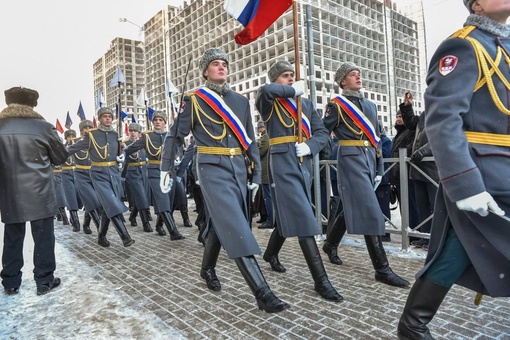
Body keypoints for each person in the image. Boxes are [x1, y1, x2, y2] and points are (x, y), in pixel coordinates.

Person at [398, 1, 510, 338]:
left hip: (503, 169)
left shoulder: (503, 49)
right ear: (476, 4)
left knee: (460, 248)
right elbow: (443, 120)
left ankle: (412, 324)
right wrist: (465, 184)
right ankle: (413, 324)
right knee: (459, 248)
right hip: (483, 173)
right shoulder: (464, 45)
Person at [161, 48, 289, 313]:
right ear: (205, 70)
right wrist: (166, 168)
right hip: (211, 167)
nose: (221, 67)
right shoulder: (194, 99)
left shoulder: (240, 101)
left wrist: (254, 172)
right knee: (235, 222)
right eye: (215, 64)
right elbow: (175, 135)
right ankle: (262, 293)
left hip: (238, 169)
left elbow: (250, 140)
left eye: (224, 64)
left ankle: (207, 268)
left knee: (223, 223)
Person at [256, 60, 343, 302]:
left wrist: (310, 146)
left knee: (291, 213)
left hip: (303, 162)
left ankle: (270, 254)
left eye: (292, 76)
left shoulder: (304, 104)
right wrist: (291, 91)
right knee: (304, 216)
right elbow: (264, 90)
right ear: (275, 80)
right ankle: (321, 281)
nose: (290, 79)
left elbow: (322, 132)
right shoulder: (269, 101)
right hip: (282, 164)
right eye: (285, 76)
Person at [322, 62, 410, 288]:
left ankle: (330, 244)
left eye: (359, 73)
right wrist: (308, 150)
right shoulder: (336, 104)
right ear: (343, 81)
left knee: (350, 206)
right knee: (370, 210)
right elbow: (323, 131)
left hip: (370, 160)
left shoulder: (369, 105)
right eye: (353, 75)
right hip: (350, 159)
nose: (358, 77)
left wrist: (380, 169)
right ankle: (382, 269)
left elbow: (378, 138)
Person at [0, 86, 68, 295]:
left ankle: (11, 282)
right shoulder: (43, 127)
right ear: (32, 104)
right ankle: (44, 281)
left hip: (10, 191)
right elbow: (60, 157)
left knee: (12, 237)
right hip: (40, 191)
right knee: (44, 237)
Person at [67, 107, 134, 247]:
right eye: (105, 116)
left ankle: (101, 236)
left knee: (107, 207)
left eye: (110, 116)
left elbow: (119, 152)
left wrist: (122, 156)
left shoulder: (115, 134)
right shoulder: (91, 135)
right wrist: (53, 155)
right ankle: (125, 236)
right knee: (111, 202)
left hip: (114, 173)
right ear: (100, 119)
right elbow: (72, 149)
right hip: (98, 174)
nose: (108, 118)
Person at [123, 111, 184, 240]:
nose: (158, 122)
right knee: (162, 200)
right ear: (152, 122)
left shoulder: (171, 135)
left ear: (165, 122)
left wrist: (178, 157)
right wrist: (118, 154)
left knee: (169, 202)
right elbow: (130, 149)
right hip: (155, 171)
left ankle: (159, 225)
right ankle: (173, 232)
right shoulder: (147, 136)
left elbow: (178, 150)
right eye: (155, 120)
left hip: (170, 171)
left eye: (161, 120)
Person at [390, 94, 419, 242]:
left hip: (408, 174)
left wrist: (408, 107)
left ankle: (414, 234)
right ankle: (409, 232)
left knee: (412, 207)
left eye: (401, 116)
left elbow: (408, 150)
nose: (399, 119)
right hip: (398, 176)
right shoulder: (399, 134)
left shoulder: (410, 130)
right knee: (404, 208)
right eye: (397, 116)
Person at [408, 111, 438, 250]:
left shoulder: (440, 111)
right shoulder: (424, 114)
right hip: (419, 169)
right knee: (422, 206)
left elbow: (440, 137)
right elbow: (410, 123)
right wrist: (407, 107)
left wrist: (423, 151)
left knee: (435, 207)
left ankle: (436, 239)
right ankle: (425, 236)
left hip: (433, 170)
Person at [71, 119, 103, 234]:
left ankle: (85, 224)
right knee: (92, 199)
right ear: (81, 131)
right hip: (80, 174)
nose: (87, 130)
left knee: (91, 200)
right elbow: (65, 152)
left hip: (94, 174)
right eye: (85, 129)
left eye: (89, 128)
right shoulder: (75, 143)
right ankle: (100, 229)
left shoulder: (96, 142)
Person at [122, 123, 153, 233]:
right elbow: (123, 159)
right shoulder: (125, 144)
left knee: (143, 195)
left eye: (135, 131)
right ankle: (145, 223)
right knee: (141, 196)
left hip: (144, 170)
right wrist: (122, 175)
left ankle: (132, 216)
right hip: (132, 172)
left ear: (139, 133)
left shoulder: (143, 142)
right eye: (131, 131)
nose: (133, 132)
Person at [62, 129, 84, 233]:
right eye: (69, 136)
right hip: (66, 174)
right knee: (71, 198)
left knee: (80, 198)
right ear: (66, 138)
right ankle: (76, 222)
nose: (71, 138)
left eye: (73, 136)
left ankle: (73, 215)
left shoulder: (79, 147)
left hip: (77, 172)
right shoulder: (63, 148)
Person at [256, 120, 273, 229]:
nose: (259, 129)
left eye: (259, 128)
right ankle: (269, 218)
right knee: (266, 196)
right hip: (266, 171)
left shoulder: (265, 137)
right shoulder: (265, 136)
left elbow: (261, 151)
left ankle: (270, 220)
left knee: (268, 197)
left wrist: (255, 149)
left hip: (266, 171)